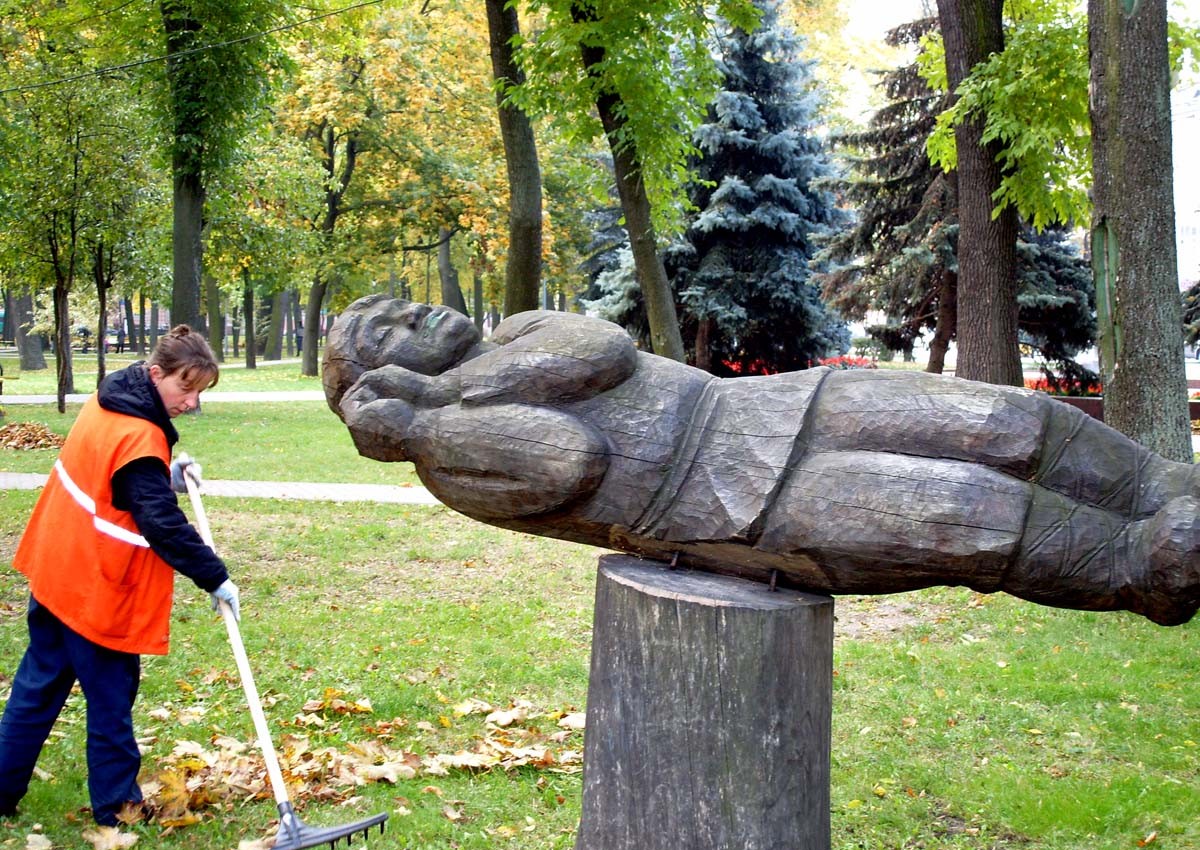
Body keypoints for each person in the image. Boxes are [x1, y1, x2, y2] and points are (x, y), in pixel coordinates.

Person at [324, 294, 1200, 628]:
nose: (420, 319)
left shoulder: (517, 332)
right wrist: (431, 429)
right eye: (392, 335)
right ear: (382, 379)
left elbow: (600, 354)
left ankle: (1157, 484)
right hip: (733, 511)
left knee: (991, 420)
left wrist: (448, 395)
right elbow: (565, 461)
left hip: (766, 405)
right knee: (958, 512)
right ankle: (1141, 564)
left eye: (406, 307)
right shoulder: (446, 460)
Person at [0, 325, 240, 825]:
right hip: (94, 591)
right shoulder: (139, 435)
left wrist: (164, 475)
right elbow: (160, 522)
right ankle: (118, 808)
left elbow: (116, 481)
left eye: (200, 392)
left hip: (55, 572)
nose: (191, 402)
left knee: (35, 690)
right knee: (111, 702)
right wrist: (214, 576)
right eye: (186, 388)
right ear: (156, 374)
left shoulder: (107, 401)